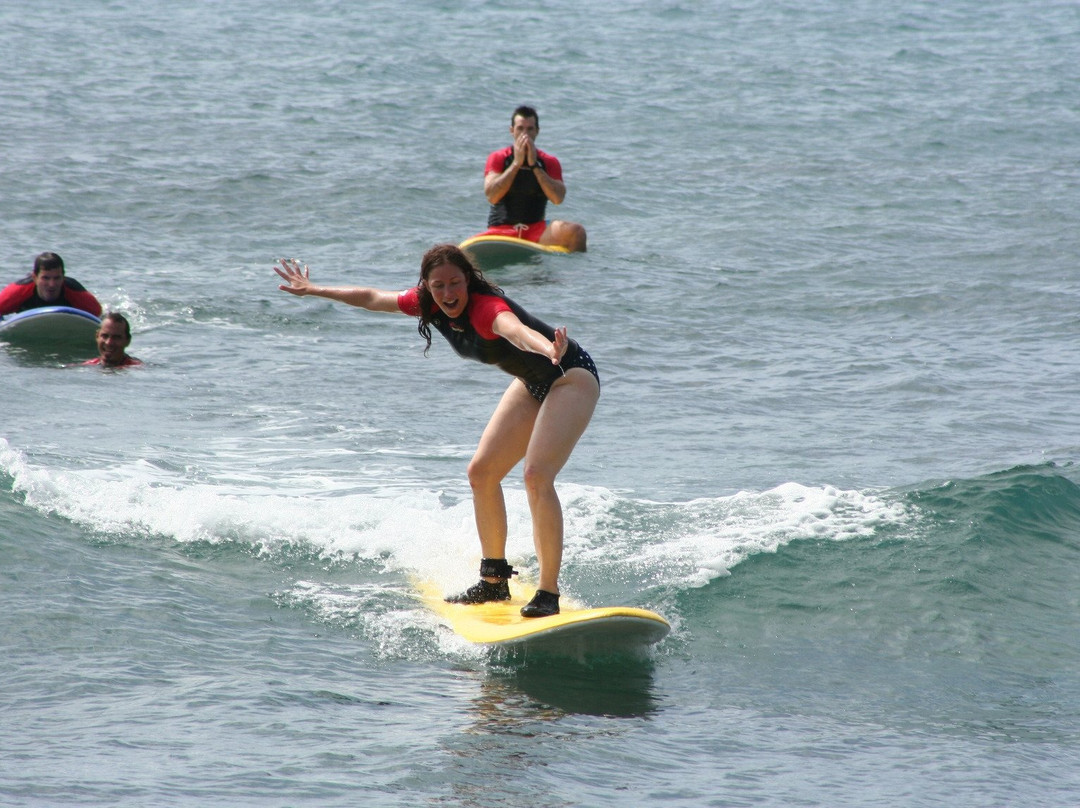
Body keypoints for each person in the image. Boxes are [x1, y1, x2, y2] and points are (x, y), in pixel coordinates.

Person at [275, 244, 600, 617]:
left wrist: (549, 348)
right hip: (531, 381)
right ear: (427, 287)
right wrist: (314, 289)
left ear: (468, 281)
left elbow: (516, 331)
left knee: (536, 475)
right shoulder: (426, 303)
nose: (448, 294)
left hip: (568, 376)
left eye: (455, 283)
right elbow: (371, 297)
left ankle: (548, 594)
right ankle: (493, 582)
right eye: (439, 285)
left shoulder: (487, 309)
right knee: (482, 472)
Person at [478, 105, 587, 253]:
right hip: (501, 230)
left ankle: (579, 274)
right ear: (512, 131)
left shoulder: (549, 161)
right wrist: (516, 164)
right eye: (520, 128)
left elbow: (557, 198)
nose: (525, 134)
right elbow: (492, 196)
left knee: (577, 232)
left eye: (530, 129)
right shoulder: (498, 158)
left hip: (536, 230)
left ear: (537, 131)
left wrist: (535, 165)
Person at [0, 252, 103, 317]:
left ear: (63, 277)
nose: (52, 284)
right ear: (35, 278)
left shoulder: (76, 293)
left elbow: (98, 314)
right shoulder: (18, 292)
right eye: (46, 278)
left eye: (57, 278)